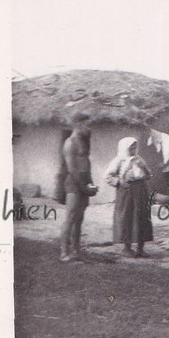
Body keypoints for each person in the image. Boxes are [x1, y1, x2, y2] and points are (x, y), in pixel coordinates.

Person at [105, 137, 153, 258]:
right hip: (126, 191)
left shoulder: (139, 159)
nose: (133, 149)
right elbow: (108, 177)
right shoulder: (119, 160)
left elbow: (149, 175)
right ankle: (127, 248)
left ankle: (140, 248)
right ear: (124, 148)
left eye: (135, 147)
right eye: (131, 147)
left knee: (142, 216)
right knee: (127, 217)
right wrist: (119, 182)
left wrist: (145, 170)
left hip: (140, 190)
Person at [60, 112, 98, 262]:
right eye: (87, 125)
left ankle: (76, 251)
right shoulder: (70, 143)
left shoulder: (83, 141)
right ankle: (64, 252)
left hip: (83, 182)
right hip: (74, 183)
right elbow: (72, 169)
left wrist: (91, 184)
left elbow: (86, 165)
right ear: (78, 125)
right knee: (70, 217)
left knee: (79, 218)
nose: (89, 128)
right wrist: (83, 187)